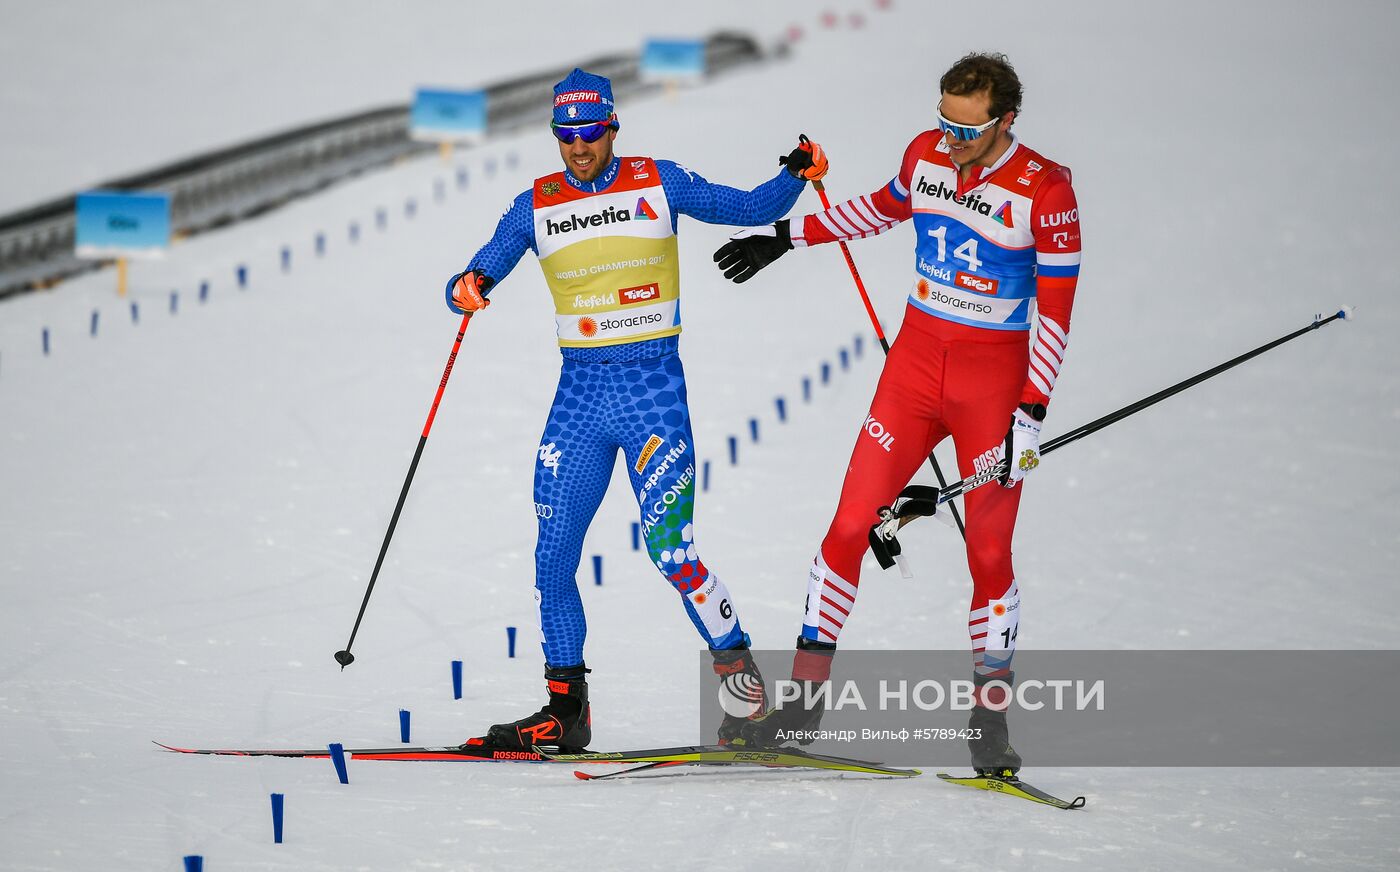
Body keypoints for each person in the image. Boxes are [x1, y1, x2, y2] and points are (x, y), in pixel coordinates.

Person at [713, 52, 1082, 775]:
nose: (950, 140)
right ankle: (803, 706)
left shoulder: (1046, 190)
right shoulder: (926, 154)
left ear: (1006, 121)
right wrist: (784, 239)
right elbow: (881, 208)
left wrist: (1029, 416)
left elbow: (1057, 319)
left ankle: (989, 723)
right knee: (849, 526)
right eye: (943, 121)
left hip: (991, 387)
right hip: (913, 373)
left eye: (966, 129)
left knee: (988, 556)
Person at [446, 68, 828, 752]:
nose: (579, 146)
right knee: (552, 558)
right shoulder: (535, 204)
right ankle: (566, 712)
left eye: (591, 132)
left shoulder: (660, 181)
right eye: (566, 135)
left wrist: (797, 173)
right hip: (579, 402)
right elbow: (478, 269)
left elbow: (747, 205)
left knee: (672, 553)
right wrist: (466, 287)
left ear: (613, 127)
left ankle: (746, 701)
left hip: (652, 395)